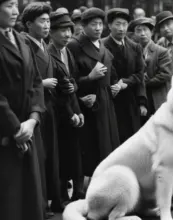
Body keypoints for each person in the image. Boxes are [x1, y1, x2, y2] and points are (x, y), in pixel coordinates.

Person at [0, 0, 45, 219]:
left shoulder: (20, 39)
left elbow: (36, 82)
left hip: (27, 129)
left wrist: (33, 119)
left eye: (16, 5)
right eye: (9, 5)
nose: (16, 11)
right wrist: (15, 128)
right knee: (9, 199)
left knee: (30, 197)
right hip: (6, 132)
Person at [67, 7, 121, 177]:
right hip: (86, 103)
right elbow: (69, 79)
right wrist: (89, 77)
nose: (98, 28)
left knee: (108, 145)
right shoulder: (74, 45)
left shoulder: (102, 45)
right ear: (83, 26)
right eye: (93, 24)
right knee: (91, 148)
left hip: (106, 101)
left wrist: (116, 84)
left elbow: (113, 73)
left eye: (100, 24)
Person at [21, 2, 60, 216]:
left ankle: (50, 199)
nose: (47, 26)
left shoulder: (44, 45)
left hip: (49, 107)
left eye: (48, 21)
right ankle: (40, 203)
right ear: (28, 24)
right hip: (32, 107)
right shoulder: (25, 44)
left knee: (50, 155)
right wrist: (41, 83)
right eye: (42, 21)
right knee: (39, 156)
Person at [47, 11, 85, 206]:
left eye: (69, 30)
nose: (67, 34)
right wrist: (71, 114)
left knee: (74, 153)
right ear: (51, 33)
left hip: (72, 110)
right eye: (62, 30)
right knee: (60, 155)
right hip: (58, 114)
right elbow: (56, 90)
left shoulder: (67, 51)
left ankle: (77, 193)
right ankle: (60, 197)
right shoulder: (48, 53)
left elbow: (72, 83)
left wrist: (78, 111)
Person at [102, 8, 147, 143]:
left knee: (132, 137)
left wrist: (141, 102)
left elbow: (140, 73)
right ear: (109, 25)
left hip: (130, 99)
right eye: (117, 24)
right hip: (111, 99)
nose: (121, 28)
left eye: (124, 24)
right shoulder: (101, 46)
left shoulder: (135, 46)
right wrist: (116, 85)